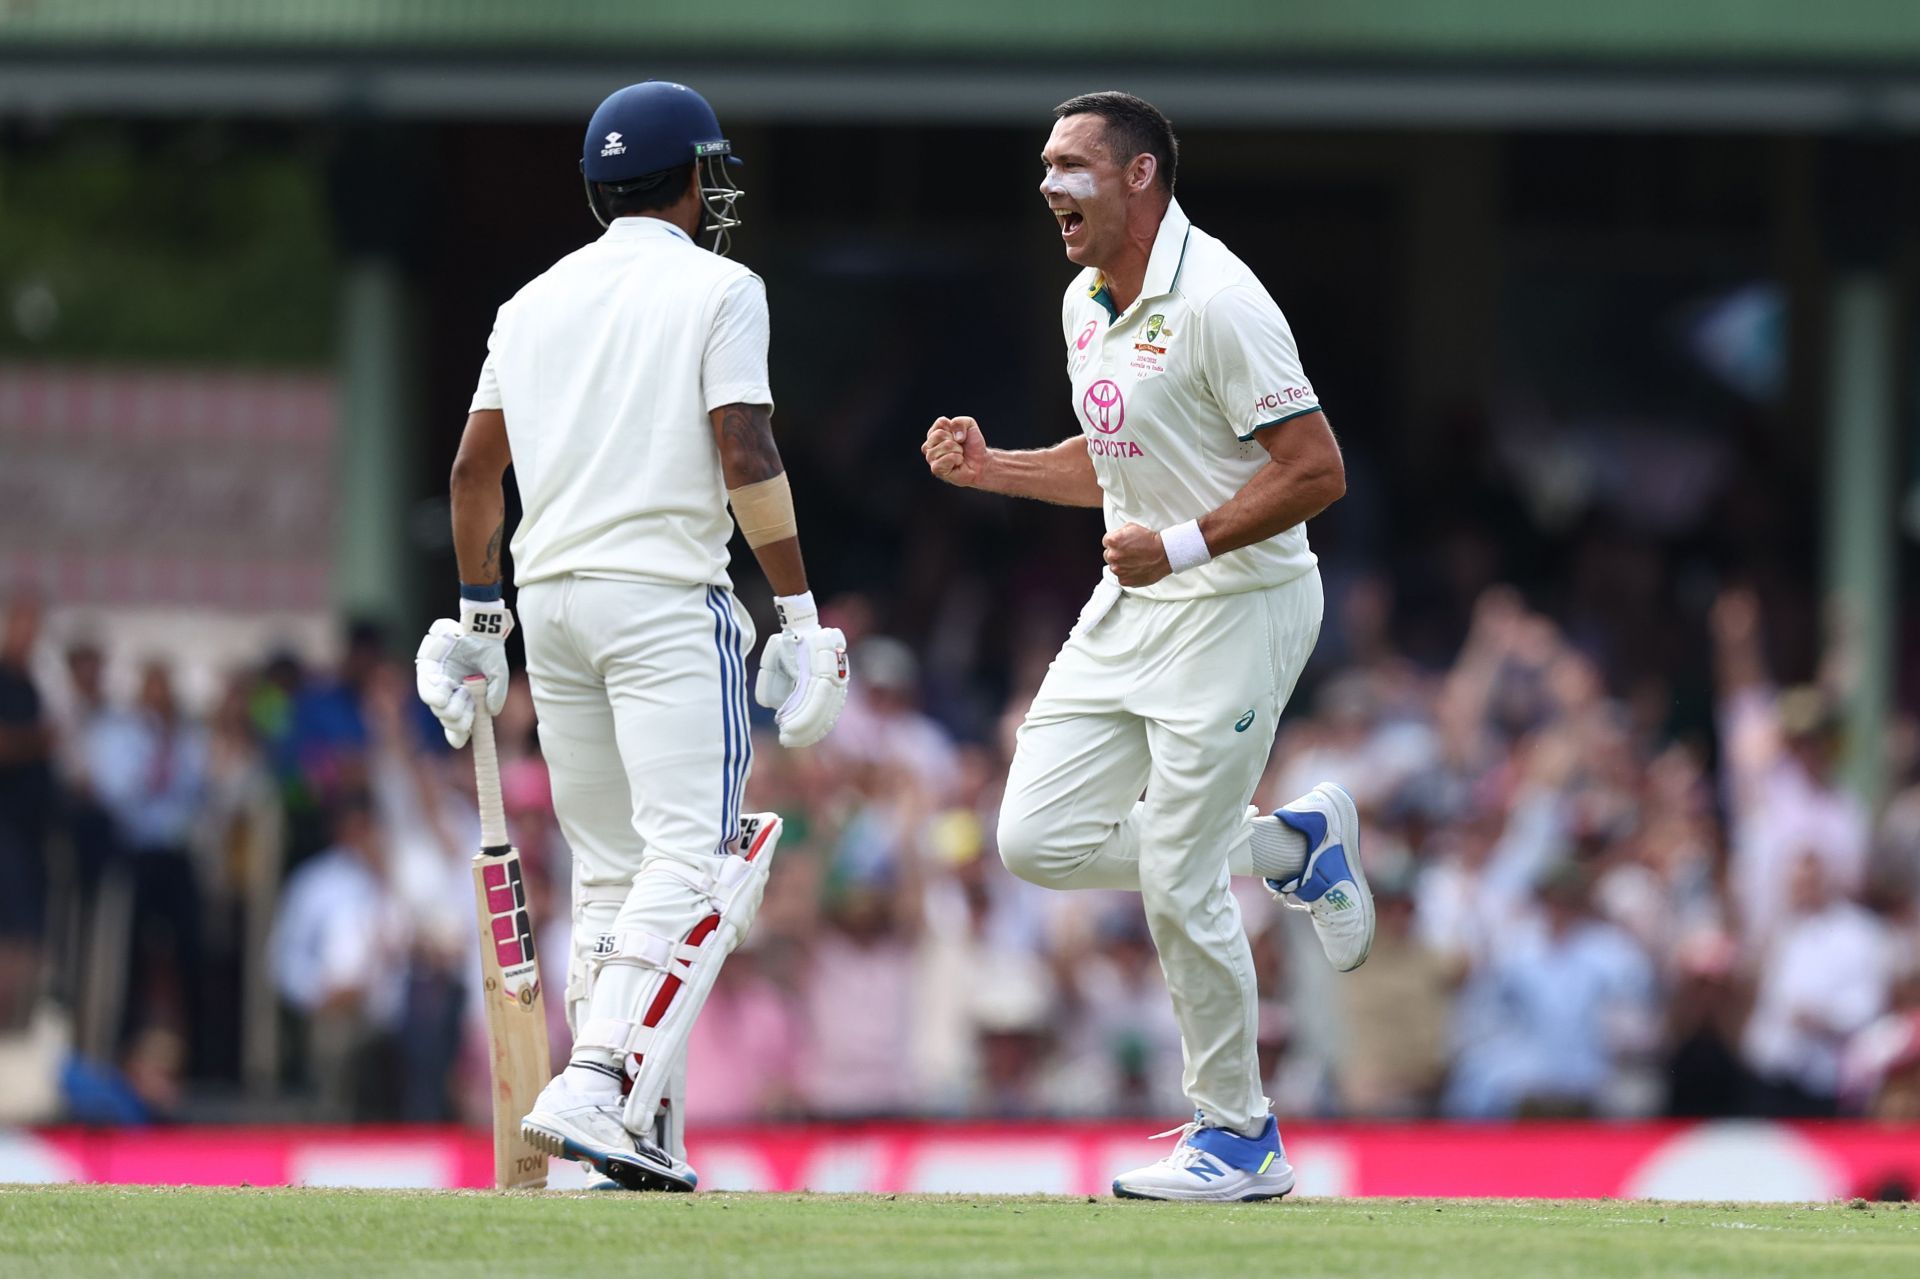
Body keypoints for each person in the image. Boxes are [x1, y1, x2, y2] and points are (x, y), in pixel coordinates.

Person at [921, 91, 1369, 1201]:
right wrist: (1000, 470)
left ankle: (1240, 1136)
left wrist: (1178, 546)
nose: (1049, 184)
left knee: (1174, 868)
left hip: (1243, 604)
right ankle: (1291, 849)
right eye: (1043, 163)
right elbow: (1120, 455)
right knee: (1035, 837)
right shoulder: (1086, 301)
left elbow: (1318, 470)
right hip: (1137, 607)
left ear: (1140, 177)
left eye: (1073, 163)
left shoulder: (1220, 299)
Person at [415, 81, 849, 1192]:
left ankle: (631, 1135)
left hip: (551, 602)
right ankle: (599, 1077)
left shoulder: (531, 301)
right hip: (662, 597)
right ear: (696, 178)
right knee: (700, 861)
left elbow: (474, 470)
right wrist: (801, 612)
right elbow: (744, 447)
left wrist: (479, 614)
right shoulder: (721, 286)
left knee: (613, 874)